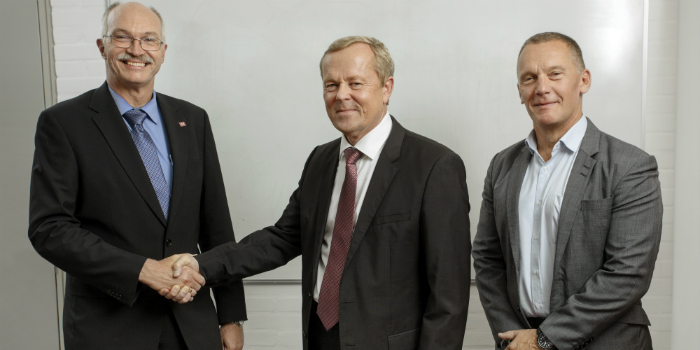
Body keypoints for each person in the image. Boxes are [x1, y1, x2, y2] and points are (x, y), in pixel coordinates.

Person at [163, 36, 472, 350]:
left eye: (356, 83)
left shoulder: (435, 166)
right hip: (320, 335)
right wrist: (200, 264)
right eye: (331, 85)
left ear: (386, 87)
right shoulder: (321, 161)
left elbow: (449, 298)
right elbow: (281, 239)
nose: (342, 96)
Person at [28, 2, 246, 349]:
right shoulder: (65, 124)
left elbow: (217, 225)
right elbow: (50, 229)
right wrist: (143, 270)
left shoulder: (193, 120)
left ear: (162, 52)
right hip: (109, 327)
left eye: (148, 39)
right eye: (123, 38)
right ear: (102, 46)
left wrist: (230, 315)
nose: (136, 50)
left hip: (191, 325)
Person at [472, 32, 663, 350]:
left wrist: (544, 339)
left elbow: (628, 273)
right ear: (520, 91)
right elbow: (488, 258)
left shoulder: (631, 166)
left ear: (584, 80)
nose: (542, 88)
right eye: (529, 78)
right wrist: (513, 337)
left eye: (555, 74)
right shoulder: (502, 166)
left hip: (607, 341)